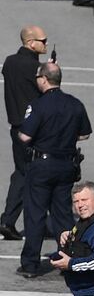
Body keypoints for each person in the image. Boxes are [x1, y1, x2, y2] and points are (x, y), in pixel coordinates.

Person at [17, 62, 89, 278]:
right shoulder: (75, 104)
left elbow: (25, 136)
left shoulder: (39, 105)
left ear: (44, 79)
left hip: (42, 164)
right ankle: (66, 258)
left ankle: (30, 264)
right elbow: (84, 134)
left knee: (36, 214)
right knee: (63, 215)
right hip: (66, 165)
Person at [2, 26, 50, 241]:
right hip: (34, 129)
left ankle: (12, 220)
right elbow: (48, 90)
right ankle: (9, 220)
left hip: (16, 126)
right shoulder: (36, 68)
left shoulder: (10, 62)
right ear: (31, 43)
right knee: (33, 174)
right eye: (43, 40)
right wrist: (50, 71)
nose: (45, 44)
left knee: (22, 172)